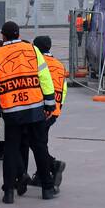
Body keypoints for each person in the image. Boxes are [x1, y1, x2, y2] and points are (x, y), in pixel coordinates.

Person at [0, 21, 57, 203]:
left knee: (11, 150)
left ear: (3, 36)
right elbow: (44, 77)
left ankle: (9, 192)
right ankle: (48, 188)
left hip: (11, 109)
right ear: (18, 34)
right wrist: (49, 103)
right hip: (34, 106)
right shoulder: (32, 50)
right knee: (39, 147)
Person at [29, 36, 68, 191]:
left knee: (34, 142)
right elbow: (64, 89)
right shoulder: (59, 65)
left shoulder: (37, 63)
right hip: (55, 109)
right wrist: (58, 107)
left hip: (41, 109)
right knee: (41, 142)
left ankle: (53, 165)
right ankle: (40, 175)